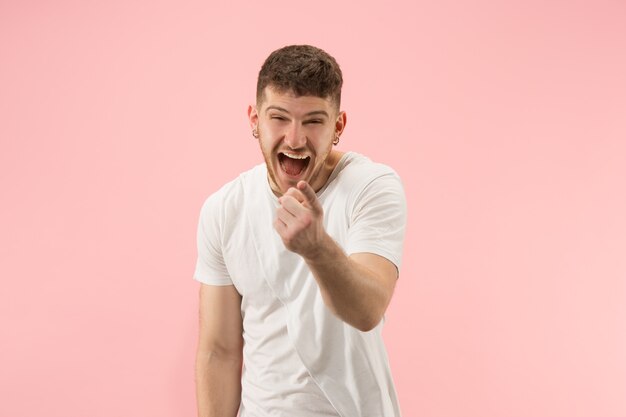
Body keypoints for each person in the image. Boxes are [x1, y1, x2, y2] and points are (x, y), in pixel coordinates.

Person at [194, 44, 407, 417]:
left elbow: (368, 310)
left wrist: (317, 248)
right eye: (279, 118)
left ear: (338, 126)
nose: (294, 139)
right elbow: (219, 350)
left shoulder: (372, 187)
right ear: (254, 120)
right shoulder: (224, 208)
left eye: (313, 121)